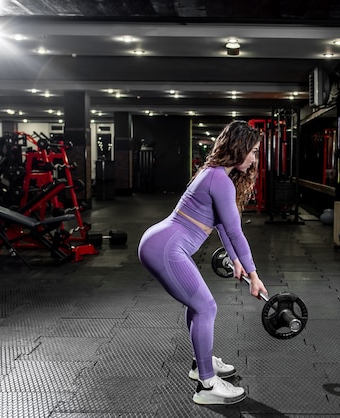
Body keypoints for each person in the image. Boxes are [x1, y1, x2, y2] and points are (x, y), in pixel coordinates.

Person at [138, 120, 267, 405]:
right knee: (206, 306)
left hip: (162, 242)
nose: (255, 159)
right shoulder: (218, 178)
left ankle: (202, 363)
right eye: (254, 151)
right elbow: (234, 230)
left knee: (197, 305)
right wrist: (254, 275)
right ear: (240, 148)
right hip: (166, 248)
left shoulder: (215, 174)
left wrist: (236, 260)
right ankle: (207, 385)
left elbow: (222, 224)